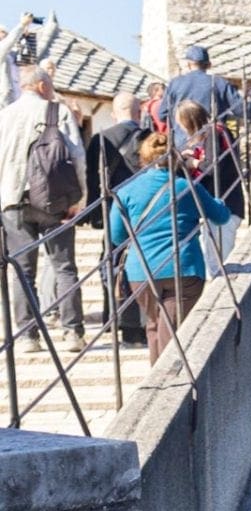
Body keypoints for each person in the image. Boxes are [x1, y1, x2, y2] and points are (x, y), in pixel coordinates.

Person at [107, 130, 231, 364]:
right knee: (170, 332)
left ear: (143, 159)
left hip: (141, 272)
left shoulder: (126, 191)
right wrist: (219, 201)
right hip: (183, 268)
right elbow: (221, 216)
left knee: (155, 326)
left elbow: (116, 235)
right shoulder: (186, 186)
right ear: (174, 158)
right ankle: (167, 387)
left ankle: (157, 382)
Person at [0, 62, 85, 352]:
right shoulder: (57, 111)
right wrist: (79, 199)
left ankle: (27, 336)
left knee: (23, 270)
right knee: (64, 266)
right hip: (53, 199)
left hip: (13, 199)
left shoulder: (4, 116)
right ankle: (73, 332)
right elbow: (77, 156)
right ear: (41, 85)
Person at [85, 92, 147, 341]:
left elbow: (92, 180)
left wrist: (94, 214)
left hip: (112, 210)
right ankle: (136, 326)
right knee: (140, 264)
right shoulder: (150, 139)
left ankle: (112, 318)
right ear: (139, 112)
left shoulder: (101, 139)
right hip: (145, 211)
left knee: (110, 263)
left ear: (113, 114)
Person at [174, 98, 243, 267]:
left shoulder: (214, 133)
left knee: (218, 263)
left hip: (224, 205)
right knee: (213, 259)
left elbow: (213, 167)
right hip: (217, 206)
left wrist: (194, 163)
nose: (183, 130)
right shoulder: (215, 133)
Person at [160, 45, 249, 147]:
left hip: (183, 142)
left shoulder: (174, 84)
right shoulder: (219, 83)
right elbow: (241, 108)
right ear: (209, 65)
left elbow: (163, 114)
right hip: (211, 142)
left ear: (188, 64)